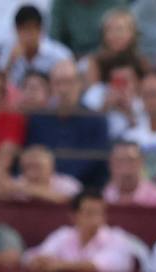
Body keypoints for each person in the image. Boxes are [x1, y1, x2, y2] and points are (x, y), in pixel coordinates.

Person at [25, 58, 111, 189]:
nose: (64, 90)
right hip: (42, 186)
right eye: (58, 83)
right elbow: (32, 153)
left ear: (79, 84)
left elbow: (95, 162)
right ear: (51, 87)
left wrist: (60, 180)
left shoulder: (96, 120)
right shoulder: (38, 118)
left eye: (69, 82)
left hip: (84, 190)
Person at [23, 188, 139, 272]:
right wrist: (38, 261)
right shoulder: (63, 235)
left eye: (99, 213)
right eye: (89, 213)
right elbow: (36, 255)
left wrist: (62, 266)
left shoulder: (117, 238)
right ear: (74, 217)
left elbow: (104, 265)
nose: (96, 219)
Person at [0, 5, 73, 86]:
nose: (27, 35)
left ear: (40, 29)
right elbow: (0, 85)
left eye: (30, 29)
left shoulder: (59, 55)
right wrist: (10, 62)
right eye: (23, 29)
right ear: (16, 30)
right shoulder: (9, 52)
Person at [0, 142, 82, 201]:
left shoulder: (66, 183)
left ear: (51, 167)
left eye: (37, 166)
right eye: (28, 166)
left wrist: (24, 189)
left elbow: (65, 199)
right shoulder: (18, 182)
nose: (32, 171)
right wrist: (1, 165)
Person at [103, 137, 156, 205]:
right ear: (111, 163)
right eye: (119, 160)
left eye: (131, 160)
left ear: (141, 162)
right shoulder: (104, 195)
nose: (125, 166)